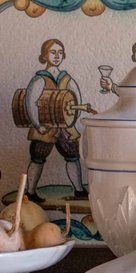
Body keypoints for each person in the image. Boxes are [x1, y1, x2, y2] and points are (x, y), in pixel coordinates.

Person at [23, 39, 89, 200]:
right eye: (53, 52)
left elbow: (76, 100)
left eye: (60, 52)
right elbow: (30, 102)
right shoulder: (40, 79)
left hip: (65, 127)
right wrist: (38, 126)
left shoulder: (66, 79)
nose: (57, 56)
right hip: (45, 127)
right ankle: (30, 192)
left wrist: (71, 120)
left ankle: (79, 190)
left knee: (72, 154)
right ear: (44, 55)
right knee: (38, 156)